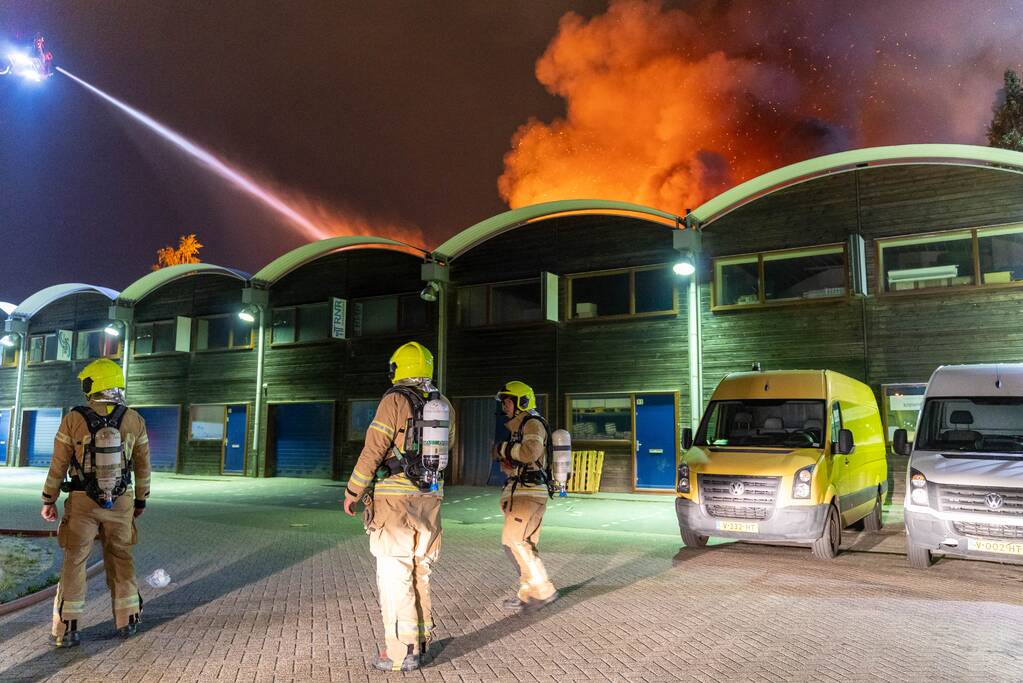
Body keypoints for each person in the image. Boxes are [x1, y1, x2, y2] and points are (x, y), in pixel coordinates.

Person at [343, 342, 454, 672]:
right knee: (421, 571)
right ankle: (420, 643)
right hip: (431, 497)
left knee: (394, 574)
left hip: (395, 502)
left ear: (398, 368)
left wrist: (353, 490)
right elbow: (449, 448)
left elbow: (374, 448)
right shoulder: (442, 403)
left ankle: (399, 652)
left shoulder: (394, 399)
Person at [40, 358, 151, 647]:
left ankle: (67, 629)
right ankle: (127, 621)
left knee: (75, 562)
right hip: (122, 501)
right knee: (121, 557)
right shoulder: (134, 419)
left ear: (94, 384)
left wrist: (48, 499)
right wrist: (140, 499)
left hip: (81, 502)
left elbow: (58, 464)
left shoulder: (74, 418)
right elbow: (143, 466)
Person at [493, 380, 558, 612]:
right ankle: (528, 592)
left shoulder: (532, 423)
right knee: (524, 544)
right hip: (525, 492)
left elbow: (531, 452)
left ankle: (543, 591)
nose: (505, 407)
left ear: (521, 401)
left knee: (514, 543)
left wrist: (502, 450)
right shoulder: (522, 426)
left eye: (508, 401)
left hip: (528, 494)